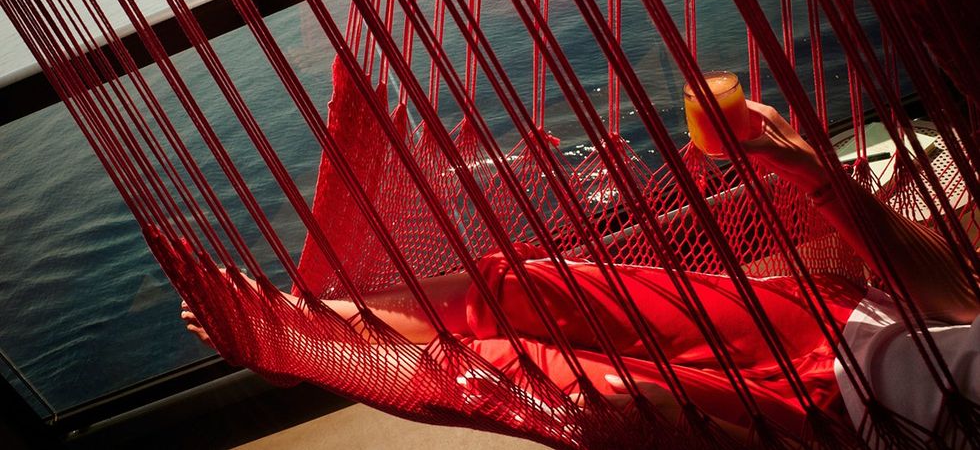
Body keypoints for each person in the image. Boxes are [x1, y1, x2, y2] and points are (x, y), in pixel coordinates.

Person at [182, 101, 979, 442]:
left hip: (830, 427)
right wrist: (809, 169)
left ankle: (302, 343)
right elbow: (954, 298)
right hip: (840, 317)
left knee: (530, 374)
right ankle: (307, 321)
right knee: (529, 282)